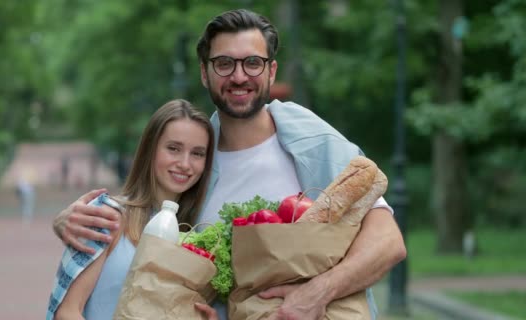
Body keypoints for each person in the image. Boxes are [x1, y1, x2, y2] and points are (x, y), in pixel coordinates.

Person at [52, 9, 406, 320]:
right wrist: (69, 221)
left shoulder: (310, 141)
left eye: (253, 62)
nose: (239, 76)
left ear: (271, 71)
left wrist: (316, 294)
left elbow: (388, 243)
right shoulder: (194, 165)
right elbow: (145, 235)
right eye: (224, 63)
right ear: (205, 73)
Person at [47, 99, 219, 320]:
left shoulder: (194, 240)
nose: (185, 163)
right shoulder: (109, 217)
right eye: (173, 149)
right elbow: (67, 311)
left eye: (197, 153)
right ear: (150, 149)